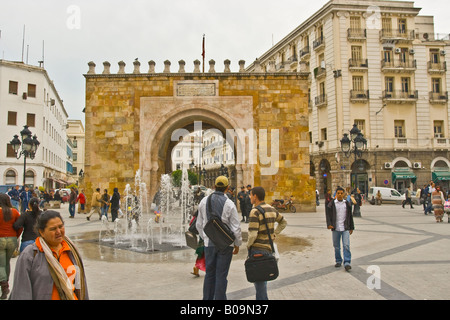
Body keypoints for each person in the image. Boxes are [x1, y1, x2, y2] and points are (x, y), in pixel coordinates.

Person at [10, 210, 89, 300]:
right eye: (53, 229)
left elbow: (81, 286)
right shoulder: (30, 255)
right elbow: (21, 291)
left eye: (60, 226)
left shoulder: (72, 251)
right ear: (42, 232)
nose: (58, 231)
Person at [196, 176, 242, 300]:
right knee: (221, 275)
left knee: (209, 274)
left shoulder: (204, 201)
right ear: (227, 188)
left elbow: (199, 225)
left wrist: (206, 238)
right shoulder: (230, 204)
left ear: (214, 186)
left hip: (209, 245)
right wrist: (237, 244)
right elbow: (236, 228)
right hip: (226, 246)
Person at [247, 186, 287, 300]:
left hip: (257, 249)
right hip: (268, 249)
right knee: (262, 280)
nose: (250, 197)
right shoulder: (271, 209)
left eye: (251, 195)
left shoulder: (254, 211)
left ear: (255, 196)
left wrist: (248, 246)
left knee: (259, 284)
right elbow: (283, 222)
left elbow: (253, 234)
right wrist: (274, 234)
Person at [326, 187, 354, 272]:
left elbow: (350, 216)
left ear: (344, 194)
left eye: (342, 193)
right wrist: (329, 224)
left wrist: (351, 227)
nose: (340, 195)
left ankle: (347, 263)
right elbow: (328, 215)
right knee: (337, 246)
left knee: (346, 245)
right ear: (336, 194)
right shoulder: (332, 204)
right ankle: (338, 260)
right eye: (338, 193)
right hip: (336, 228)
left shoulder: (347, 204)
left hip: (345, 227)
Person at [0, 193, 22, 299]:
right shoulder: (14, 211)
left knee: (1, 264)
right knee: (6, 263)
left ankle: (4, 287)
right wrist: (16, 236)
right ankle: (6, 282)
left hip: (0, 240)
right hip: (12, 240)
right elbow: (20, 225)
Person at [190, 210, 205, 277]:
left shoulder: (202, 204)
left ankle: (196, 267)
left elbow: (192, 222)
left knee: (201, 252)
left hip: (202, 233)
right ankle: (199, 266)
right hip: (210, 233)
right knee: (209, 253)